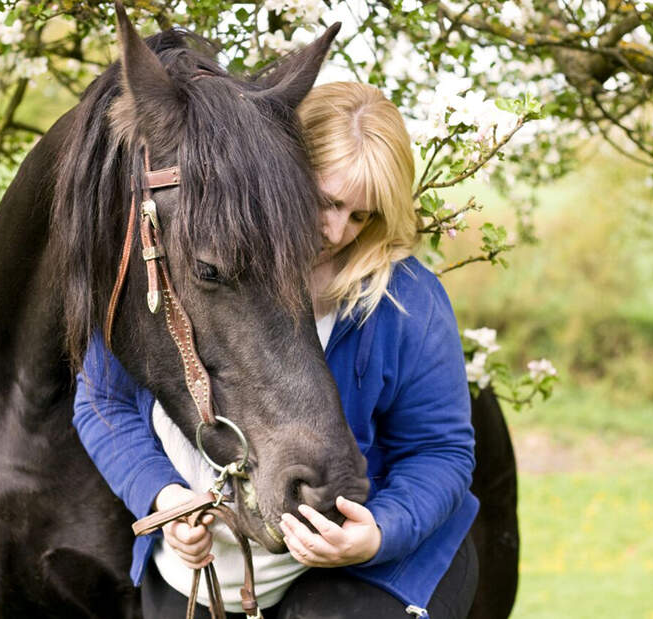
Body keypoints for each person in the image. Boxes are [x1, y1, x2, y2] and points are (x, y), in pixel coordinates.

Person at [72, 81, 479, 619]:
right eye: (325, 201)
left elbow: (441, 451)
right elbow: (102, 401)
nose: (336, 231)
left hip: (361, 573)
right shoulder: (190, 261)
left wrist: (379, 533)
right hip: (198, 574)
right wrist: (162, 500)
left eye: (362, 216)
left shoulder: (406, 300)